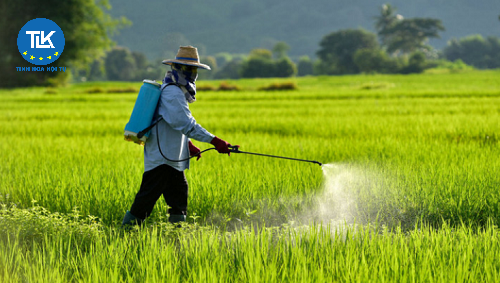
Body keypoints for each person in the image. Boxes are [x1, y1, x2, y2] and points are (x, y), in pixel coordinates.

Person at [122, 46, 233, 226]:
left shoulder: (177, 90)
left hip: (172, 157)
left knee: (179, 201)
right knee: (144, 203)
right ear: (179, 68)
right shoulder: (173, 92)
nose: (193, 73)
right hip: (162, 158)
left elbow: (173, 122)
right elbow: (185, 124)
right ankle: (126, 234)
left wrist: (188, 145)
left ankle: (176, 236)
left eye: (194, 69)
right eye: (190, 69)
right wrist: (215, 141)